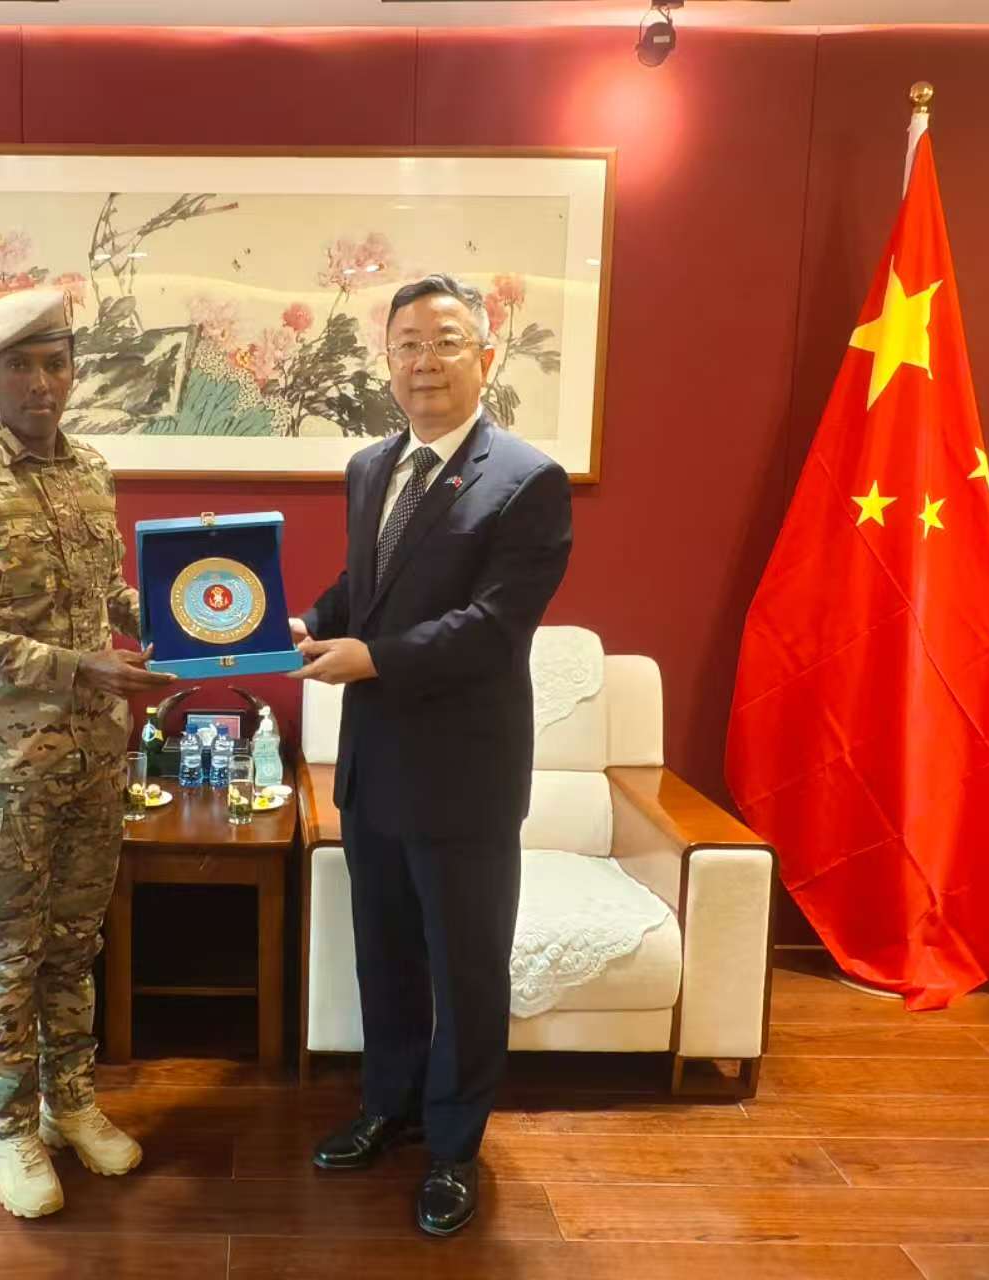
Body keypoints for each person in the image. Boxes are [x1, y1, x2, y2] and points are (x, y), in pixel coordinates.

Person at [289, 273, 573, 1237]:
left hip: (465, 777)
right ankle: (390, 1105)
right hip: (373, 766)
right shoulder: (372, 465)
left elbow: (493, 627)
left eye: (445, 342)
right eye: (406, 344)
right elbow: (365, 583)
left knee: (467, 971)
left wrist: (372, 658)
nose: (424, 362)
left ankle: (454, 1147)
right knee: (387, 958)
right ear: (387, 362)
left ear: (485, 356)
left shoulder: (527, 480)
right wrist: (308, 621)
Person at [0, 288, 175, 1219]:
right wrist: (75, 665)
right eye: (20, 366)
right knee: (9, 950)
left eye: (55, 363)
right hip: (5, 769)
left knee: (75, 943)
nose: (41, 383)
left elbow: (112, 597)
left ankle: (72, 1102)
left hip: (93, 756)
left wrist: (187, 627)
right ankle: (10, 1127)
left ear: (74, 370)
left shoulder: (91, 470)